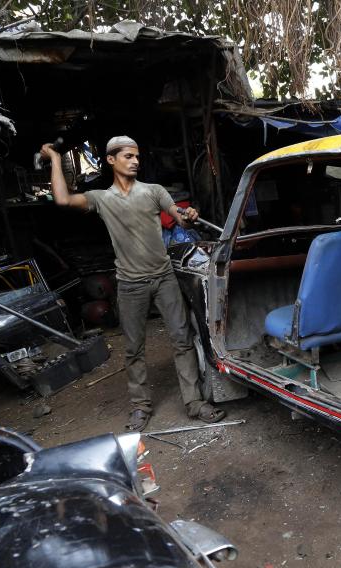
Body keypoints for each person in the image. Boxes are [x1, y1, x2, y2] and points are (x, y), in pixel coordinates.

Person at [40, 136, 225, 431]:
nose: (135, 161)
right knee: (134, 349)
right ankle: (140, 407)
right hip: (129, 284)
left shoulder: (154, 192)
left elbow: (180, 218)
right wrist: (53, 158)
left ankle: (194, 402)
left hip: (164, 278)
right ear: (111, 160)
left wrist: (188, 216)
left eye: (137, 156)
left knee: (182, 340)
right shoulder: (101, 198)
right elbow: (62, 200)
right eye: (128, 156)